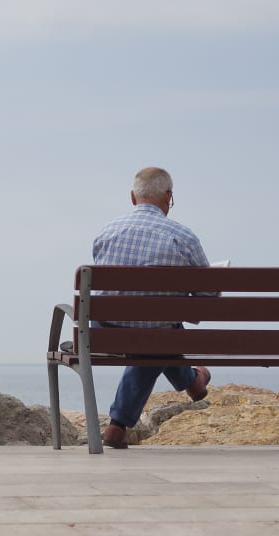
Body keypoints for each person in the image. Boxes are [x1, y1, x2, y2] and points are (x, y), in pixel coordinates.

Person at [91, 166, 212, 449]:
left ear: (133, 197)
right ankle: (120, 423)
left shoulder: (106, 232)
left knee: (153, 327)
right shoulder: (182, 237)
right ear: (169, 197)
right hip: (156, 332)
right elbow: (208, 291)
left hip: (104, 329)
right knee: (158, 331)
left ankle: (191, 383)